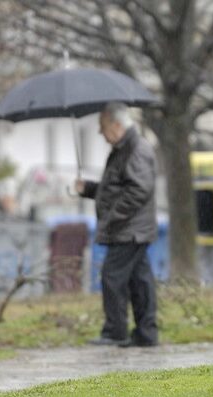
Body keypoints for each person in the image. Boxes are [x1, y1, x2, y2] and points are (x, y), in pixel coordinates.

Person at [76, 102, 159, 347]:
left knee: (112, 278)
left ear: (117, 124)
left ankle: (115, 331)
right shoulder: (124, 148)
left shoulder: (136, 149)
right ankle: (146, 334)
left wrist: (112, 217)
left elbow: (139, 190)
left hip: (129, 230)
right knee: (139, 281)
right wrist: (89, 189)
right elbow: (116, 188)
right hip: (132, 229)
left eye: (102, 127)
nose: (101, 133)